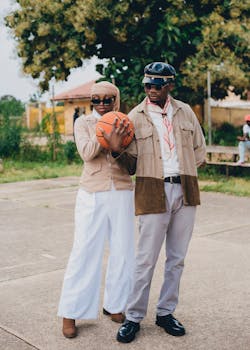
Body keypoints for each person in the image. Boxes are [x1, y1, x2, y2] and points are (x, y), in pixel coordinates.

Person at [102, 62, 206, 343]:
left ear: (169, 85)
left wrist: (181, 172)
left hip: (185, 190)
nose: (151, 89)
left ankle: (165, 312)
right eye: (147, 84)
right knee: (145, 260)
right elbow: (131, 165)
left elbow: (199, 152)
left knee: (177, 260)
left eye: (157, 85)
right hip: (151, 190)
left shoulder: (186, 113)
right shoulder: (133, 117)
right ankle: (134, 317)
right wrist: (115, 150)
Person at [57, 81, 135, 338]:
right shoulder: (83, 123)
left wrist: (118, 144)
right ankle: (71, 312)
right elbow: (87, 153)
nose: (102, 104)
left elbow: (133, 163)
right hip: (91, 193)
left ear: (117, 100)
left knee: (123, 251)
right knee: (84, 251)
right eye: (97, 100)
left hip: (122, 191)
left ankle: (115, 305)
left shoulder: (126, 122)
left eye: (108, 99)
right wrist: (106, 135)